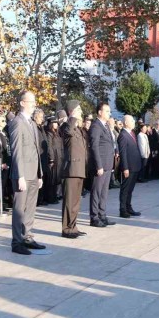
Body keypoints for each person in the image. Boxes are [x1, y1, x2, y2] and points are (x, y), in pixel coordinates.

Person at [9, 91, 45, 255]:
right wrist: (20, 176)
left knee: (30, 209)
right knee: (19, 210)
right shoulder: (17, 122)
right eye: (31, 102)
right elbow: (16, 151)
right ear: (22, 103)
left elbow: (36, 151)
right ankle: (17, 242)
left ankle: (27, 237)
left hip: (33, 173)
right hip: (22, 174)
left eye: (34, 101)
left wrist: (39, 174)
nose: (33, 105)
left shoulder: (31, 123)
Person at [60, 101, 88, 238]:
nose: (81, 112)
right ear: (72, 111)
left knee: (76, 202)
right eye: (78, 109)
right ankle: (66, 229)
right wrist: (73, 117)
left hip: (79, 169)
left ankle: (73, 226)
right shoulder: (66, 126)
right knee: (69, 202)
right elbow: (68, 131)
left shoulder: (77, 129)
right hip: (70, 170)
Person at [88, 102, 116, 228]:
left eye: (109, 111)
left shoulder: (105, 125)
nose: (109, 113)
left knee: (104, 192)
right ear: (100, 112)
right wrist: (99, 165)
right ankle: (94, 217)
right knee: (96, 192)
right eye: (107, 111)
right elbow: (94, 147)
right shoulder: (96, 126)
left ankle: (102, 215)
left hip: (108, 164)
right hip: (100, 165)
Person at [118, 115, 142, 219]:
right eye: (132, 121)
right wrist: (125, 168)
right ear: (126, 123)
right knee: (125, 189)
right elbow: (123, 153)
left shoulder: (132, 133)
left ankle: (129, 207)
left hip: (135, 166)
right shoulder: (123, 135)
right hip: (128, 167)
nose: (134, 122)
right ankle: (123, 209)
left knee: (130, 189)